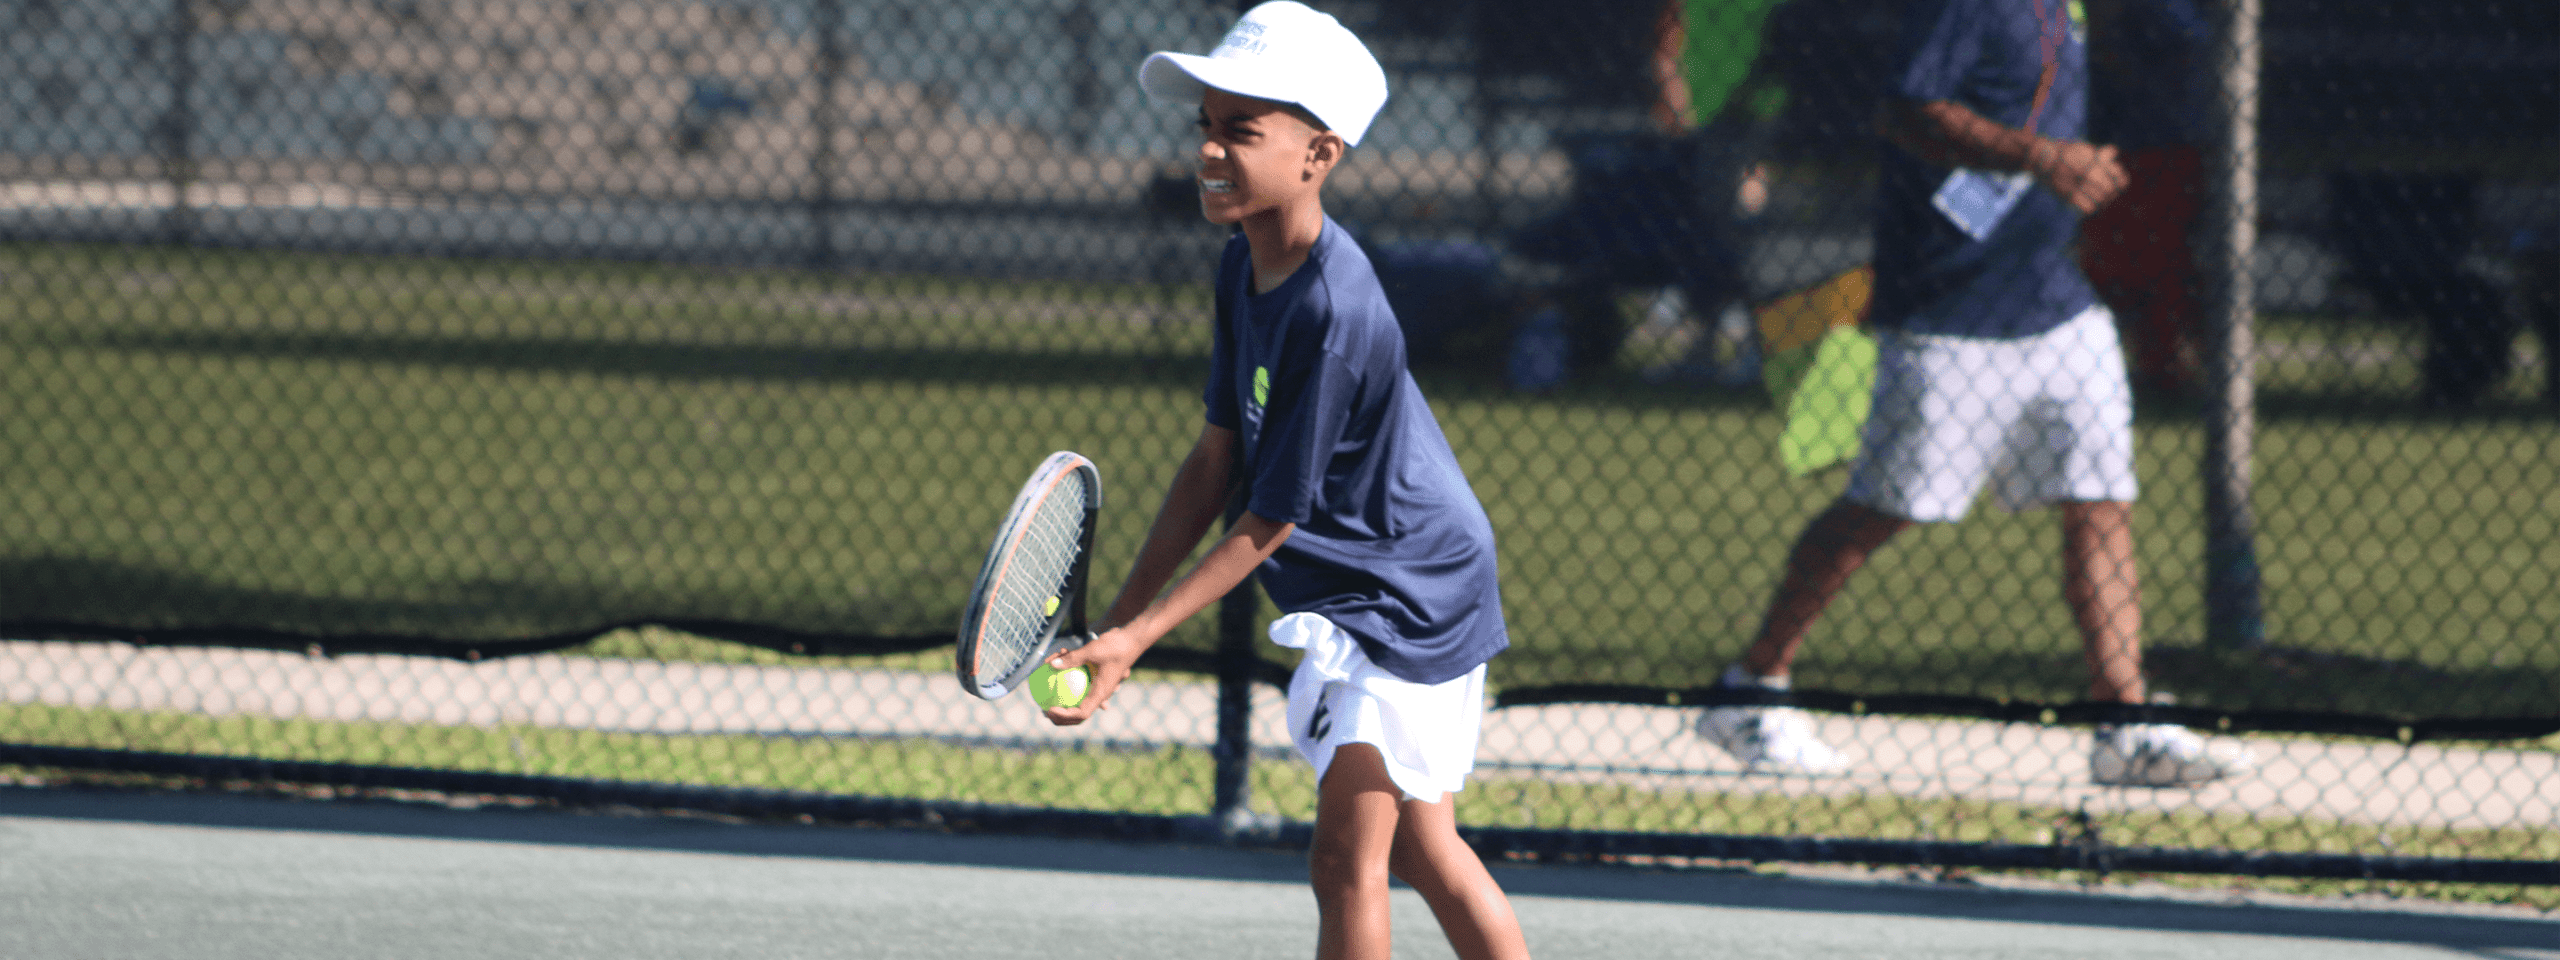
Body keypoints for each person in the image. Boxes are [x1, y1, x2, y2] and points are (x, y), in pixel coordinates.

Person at [1040, 5, 1532, 958]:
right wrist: (1118, 630)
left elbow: (1268, 520)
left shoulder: (1335, 313)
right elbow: (1213, 460)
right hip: (1362, 584)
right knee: (1425, 849)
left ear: (1320, 154)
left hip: (1411, 594)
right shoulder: (1242, 265)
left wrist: (1137, 640)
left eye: (1243, 132)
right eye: (1207, 128)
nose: (1212, 152)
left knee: (1347, 863)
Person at [1693, 0, 2256, 788]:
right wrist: (2044, 160)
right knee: (1885, 507)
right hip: (1946, 310)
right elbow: (1907, 111)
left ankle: (2121, 724)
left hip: (2057, 301)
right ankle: (1750, 689)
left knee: (2100, 503)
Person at [2079, 0, 2215, 397]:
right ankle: (2163, 362)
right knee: (2125, 259)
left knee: (2163, 260)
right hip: (2134, 144)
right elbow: (2106, 45)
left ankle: (2172, 365)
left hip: (2173, 147)